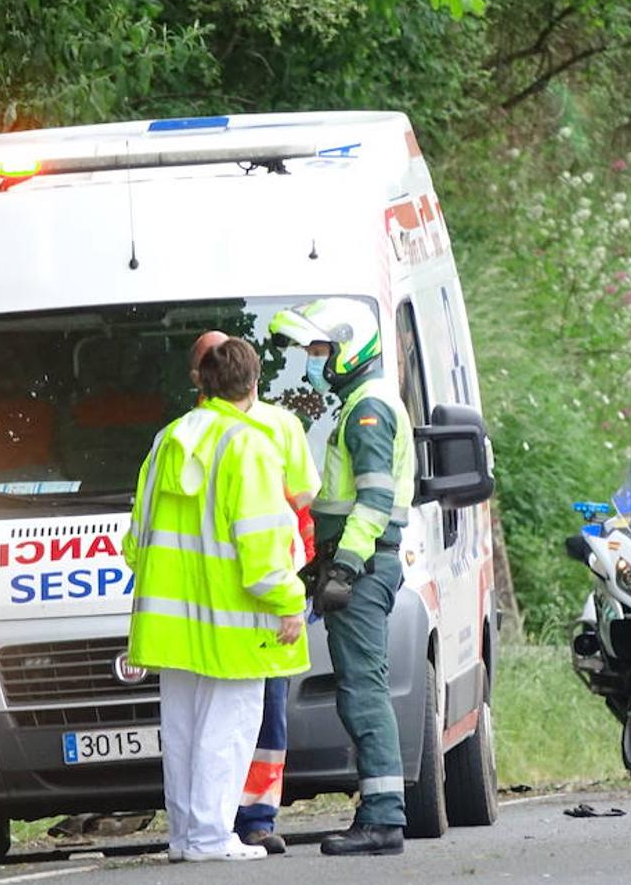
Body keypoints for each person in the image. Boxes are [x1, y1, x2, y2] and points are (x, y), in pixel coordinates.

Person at [124, 338, 309, 863]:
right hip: (233, 621)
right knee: (227, 727)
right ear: (253, 386)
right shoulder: (248, 446)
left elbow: (135, 538)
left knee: (181, 729)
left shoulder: (167, 440)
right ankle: (210, 837)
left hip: (169, 621)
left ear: (201, 383)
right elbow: (261, 541)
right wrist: (288, 600)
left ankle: (186, 836)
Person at [269, 299, 416, 857]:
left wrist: (346, 567)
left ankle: (383, 819)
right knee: (361, 689)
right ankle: (379, 814)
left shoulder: (368, 410)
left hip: (363, 566)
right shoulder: (362, 403)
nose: (312, 360)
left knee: (362, 692)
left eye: (319, 349)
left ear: (349, 346)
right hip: (355, 562)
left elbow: (374, 501)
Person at [188, 331, 320, 856]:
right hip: (252, 590)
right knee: (255, 707)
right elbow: (304, 498)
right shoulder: (275, 426)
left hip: (234, 591)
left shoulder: (187, 433)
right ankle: (243, 820)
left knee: (235, 710)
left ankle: (241, 815)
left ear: (201, 377)